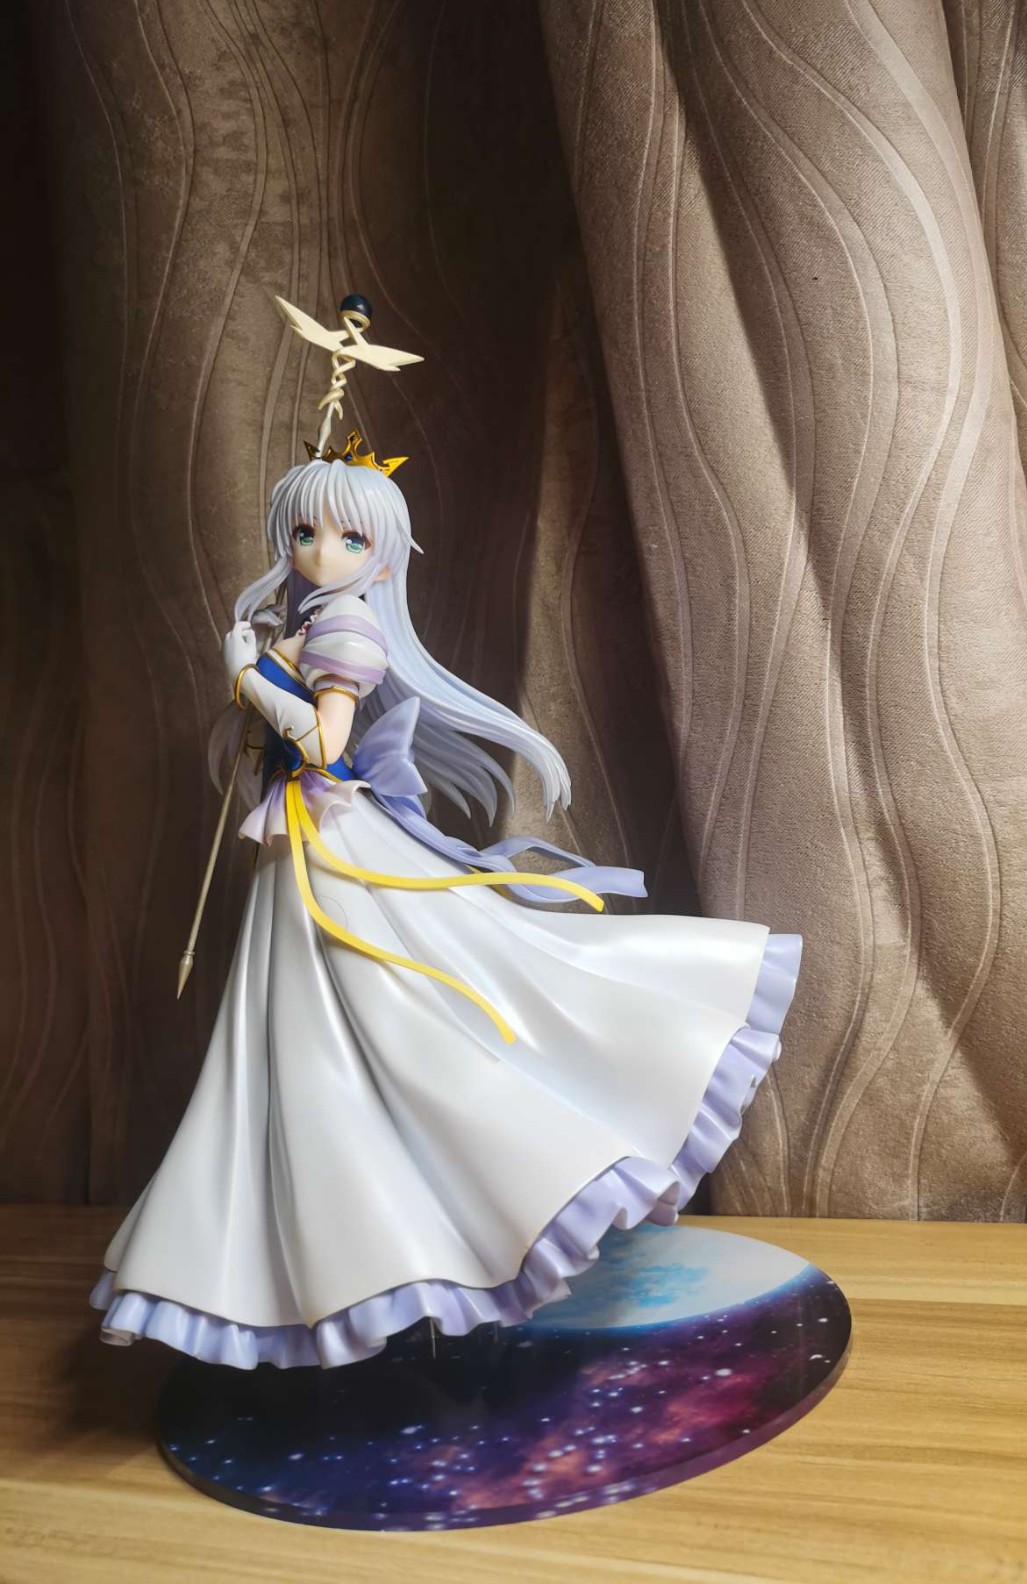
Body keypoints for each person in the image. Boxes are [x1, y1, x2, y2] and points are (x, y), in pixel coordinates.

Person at [89, 436, 803, 1369]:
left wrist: (247, 678)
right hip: (302, 846)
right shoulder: (306, 623)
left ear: (382, 555)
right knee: (300, 1044)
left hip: (335, 846)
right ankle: (337, 1256)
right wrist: (258, 673)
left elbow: (324, 743)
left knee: (387, 1027)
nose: (321, 551)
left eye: (349, 538)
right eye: (305, 532)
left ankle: (460, 1219)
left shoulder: (349, 630)